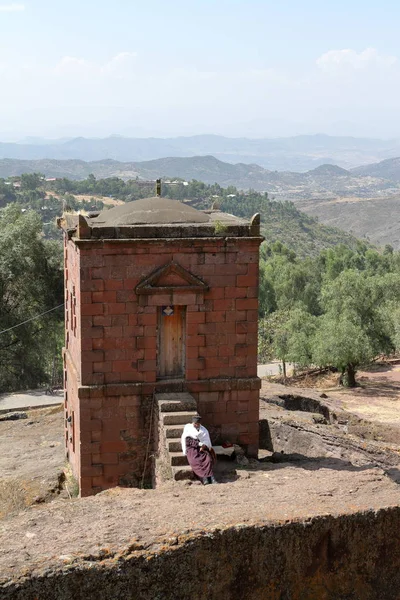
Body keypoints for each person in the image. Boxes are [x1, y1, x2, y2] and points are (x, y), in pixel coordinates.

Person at [181, 415, 217, 485]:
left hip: (201, 449)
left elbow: (207, 441)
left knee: (207, 459)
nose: (196, 425)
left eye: (198, 424)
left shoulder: (204, 430)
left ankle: (212, 478)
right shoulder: (188, 429)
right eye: (195, 424)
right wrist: (200, 444)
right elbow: (189, 441)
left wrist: (204, 446)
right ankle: (204, 478)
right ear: (193, 423)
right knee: (195, 461)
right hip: (192, 449)